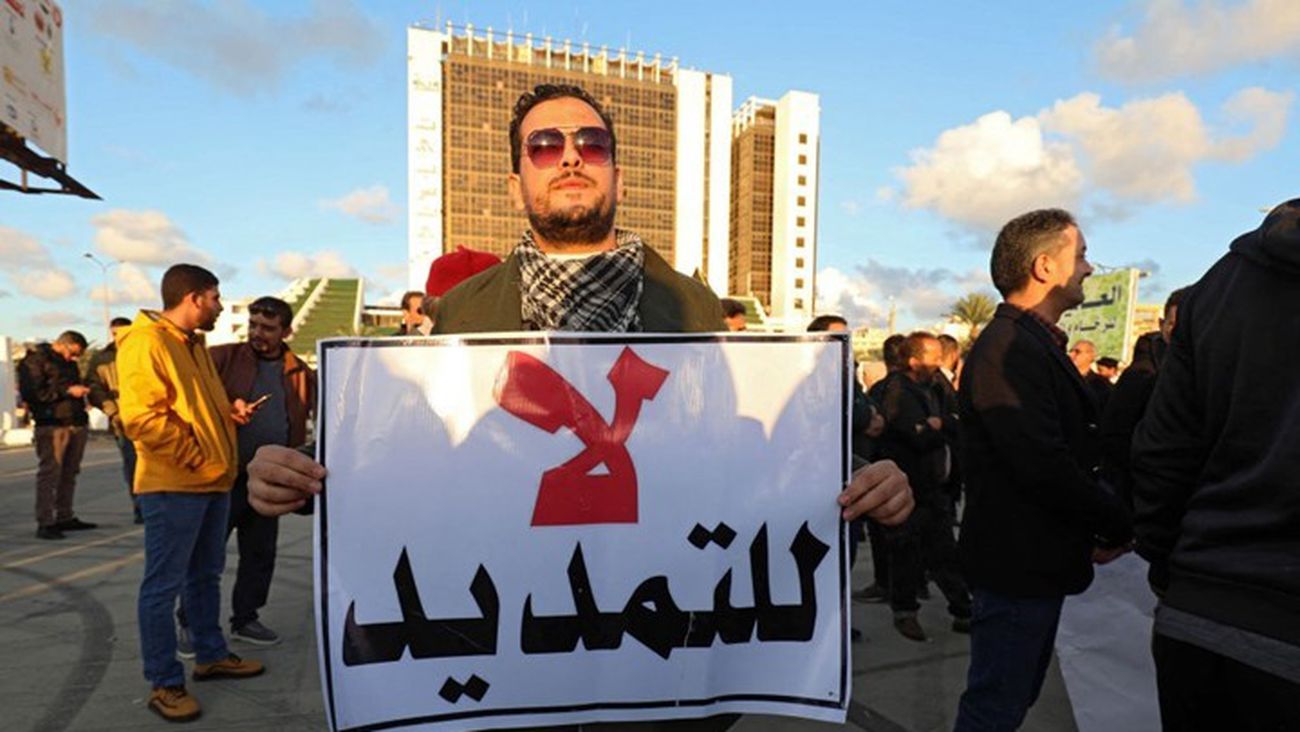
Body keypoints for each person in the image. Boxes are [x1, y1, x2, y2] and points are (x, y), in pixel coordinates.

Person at [246, 83, 914, 732]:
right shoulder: (462, 311)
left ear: (617, 175)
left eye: (591, 144)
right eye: (545, 145)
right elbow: (415, 444)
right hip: (516, 655)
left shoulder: (692, 306)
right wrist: (303, 472)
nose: (570, 156)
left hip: (657, 658)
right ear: (516, 183)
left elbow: (736, 443)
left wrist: (856, 474)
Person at [954, 209, 1131, 731]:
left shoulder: (1029, 344)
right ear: (1045, 267)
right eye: (1081, 256)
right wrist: (1115, 521)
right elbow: (1043, 463)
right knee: (995, 707)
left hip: (1035, 562)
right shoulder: (1006, 350)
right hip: (1016, 567)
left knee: (1010, 698)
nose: (1089, 268)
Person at [1132, 200, 1300, 729]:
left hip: (1200, 615)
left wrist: (1175, 567)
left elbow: (1161, 451)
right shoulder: (1226, 281)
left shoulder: (1223, 283)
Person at [118, 264, 265, 723]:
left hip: (211, 481)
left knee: (205, 576)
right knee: (162, 587)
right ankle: (164, 682)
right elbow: (143, 419)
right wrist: (199, 458)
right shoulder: (146, 342)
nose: (221, 306)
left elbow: (194, 407)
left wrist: (228, 413)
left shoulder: (192, 343)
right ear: (194, 298)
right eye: (216, 298)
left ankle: (210, 655)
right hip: (175, 485)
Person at [175, 296, 316, 654]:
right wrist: (227, 409)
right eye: (253, 325)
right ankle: (190, 623)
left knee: (260, 554)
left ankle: (246, 618)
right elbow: (191, 400)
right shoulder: (221, 357)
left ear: (286, 331)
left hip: (269, 481)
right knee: (207, 557)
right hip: (223, 477)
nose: (257, 333)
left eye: (267, 328)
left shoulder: (300, 372)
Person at [876, 331, 971, 641]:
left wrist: (942, 424)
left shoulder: (936, 386)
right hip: (909, 487)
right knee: (905, 553)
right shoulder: (897, 390)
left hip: (934, 487)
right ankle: (905, 613)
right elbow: (914, 434)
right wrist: (938, 427)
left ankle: (963, 611)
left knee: (944, 553)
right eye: (932, 357)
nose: (939, 362)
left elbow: (960, 420)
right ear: (914, 361)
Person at [1099, 287, 1186, 510]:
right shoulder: (1142, 373)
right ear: (1161, 324)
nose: (1180, 332)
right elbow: (1117, 436)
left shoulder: (1198, 369)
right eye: (1173, 324)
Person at [18, 329, 94, 540]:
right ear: (62, 344)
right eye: (73, 353)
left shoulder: (68, 364)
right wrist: (67, 392)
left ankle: (64, 515)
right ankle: (46, 521)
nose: (74, 359)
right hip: (52, 425)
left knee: (70, 473)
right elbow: (33, 393)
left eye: (78, 356)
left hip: (75, 421)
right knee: (50, 474)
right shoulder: (35, 361)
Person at [87, 316, 140, 523]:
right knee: (133, 465)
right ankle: (140, 507)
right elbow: (94, 388)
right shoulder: (102, 358)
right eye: (116, 333)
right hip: (122, 420)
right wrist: (112, 411)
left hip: (151, 418)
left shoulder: (143, 351)